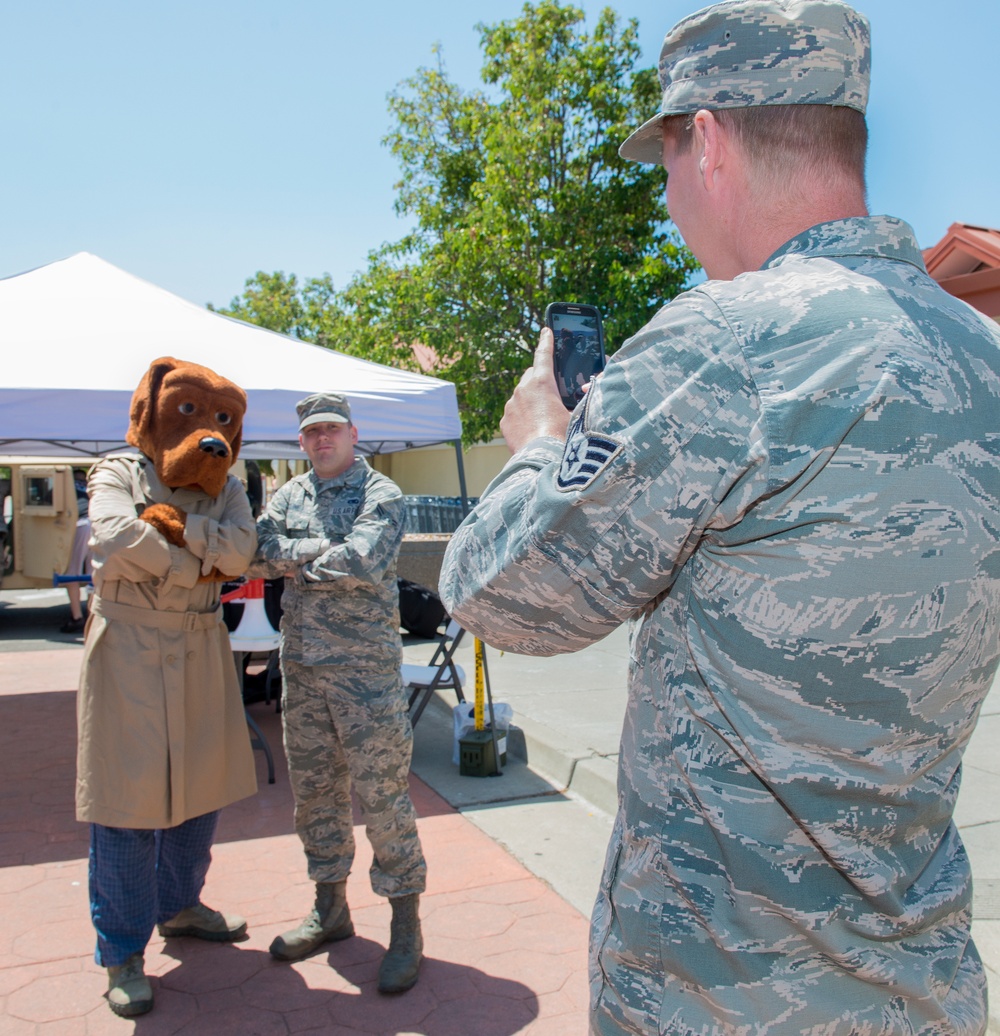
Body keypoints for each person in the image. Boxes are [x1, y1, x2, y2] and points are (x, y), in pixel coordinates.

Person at [440, 1, 1000, 1032]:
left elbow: (498, 592)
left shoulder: (731, 340)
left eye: (661, 168)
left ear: (705, 140)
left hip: (722, 1000)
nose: (666, 202)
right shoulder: (979, 354)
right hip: (918, 994)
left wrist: (535, 443)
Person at [77, 357, 258, 1018]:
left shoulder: (228, 486)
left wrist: (178, 531)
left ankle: (180, 906)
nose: (208, 431)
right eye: (190, 412)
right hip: (130, 648)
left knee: (200, 793)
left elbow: (242, 553)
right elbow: (116, 532)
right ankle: (122, 952)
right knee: (126, 808)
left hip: (202, 648)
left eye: (221, 419)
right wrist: (196, 566)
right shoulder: (120, 471)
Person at [250, 392, 427, 994]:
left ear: (354, 434)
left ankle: (406, 922)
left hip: (365, 676)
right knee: (316, 795)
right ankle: (331, 908)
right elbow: (257, 550)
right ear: (300, 442)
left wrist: (293, 561)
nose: (321, 440)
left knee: (382, 799)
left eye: (331, 430)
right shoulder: (289, 495)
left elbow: (361, 559)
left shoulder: (381, 495)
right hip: (302, 671)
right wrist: (308, 554)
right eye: (310, 434)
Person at [60, 467, 92, 634]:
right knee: (96, 572)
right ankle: (93, 614)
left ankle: (77, 617)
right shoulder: (92, 486)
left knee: (71, 572)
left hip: (80, 525)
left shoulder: (64, 487)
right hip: (97, 523)